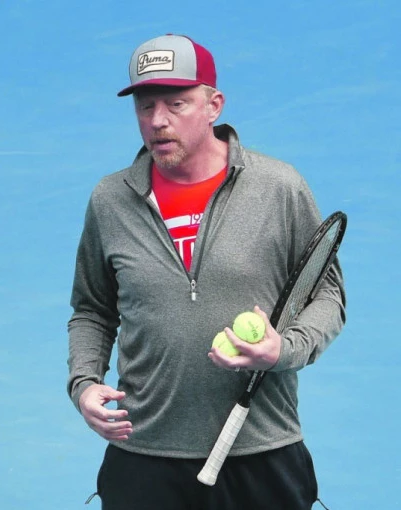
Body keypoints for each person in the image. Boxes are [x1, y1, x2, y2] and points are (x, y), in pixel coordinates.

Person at [67, 34, 345, 510]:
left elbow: (327, 295)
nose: (158, 120)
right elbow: (92, 309)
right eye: (145, 106)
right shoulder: (110, 200)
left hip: (262, 451)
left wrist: (285, 349)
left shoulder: (279, 188)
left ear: (214, 105)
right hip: (143, 454)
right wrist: (85, 383)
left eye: (176, 103)